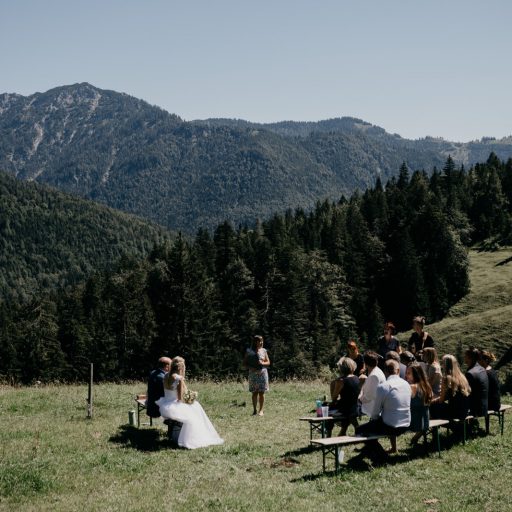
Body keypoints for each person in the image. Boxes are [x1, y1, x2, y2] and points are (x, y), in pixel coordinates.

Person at [156, 357, 224, 449]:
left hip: (165, 404)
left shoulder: (166, 375)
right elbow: (180, 398)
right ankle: (190, 438)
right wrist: (189, 399)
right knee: (196, 407)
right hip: (174, 406)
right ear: (180, 368)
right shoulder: (178, 378)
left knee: (194, 408)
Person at [355, 359, 411, 456]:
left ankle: (381, 455)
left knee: (360, 430)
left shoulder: (383, 387)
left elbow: (375, 413)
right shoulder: (406, 384)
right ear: (398, 371)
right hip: (406, 424)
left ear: (385, 371)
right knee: (376, 424)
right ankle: (371, 451)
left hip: (391, 426)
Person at [430, 354, 471, 421]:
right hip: (464, 411)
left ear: (445, 365)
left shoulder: (446, 378)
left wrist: (432, 401)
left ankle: (431, 428)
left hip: (454, 413)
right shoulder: (462, 376)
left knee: (432, 406)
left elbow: (441, 400)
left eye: (442, 363)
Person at [327, 357, 360, 436]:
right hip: (355, 406)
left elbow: (334, 397)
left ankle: (328, 434)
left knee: (328, 411)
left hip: (345, 408)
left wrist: (333, 386)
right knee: (347, 411)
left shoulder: (341, 381)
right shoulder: (357, 378)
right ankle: (344, 430)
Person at [243, 335, 270, 416]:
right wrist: (251, 367)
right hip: (253, 374)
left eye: (262, 341)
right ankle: (254, 410)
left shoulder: (264, 351)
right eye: (259, 341)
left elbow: (268, 362)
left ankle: (261, 411)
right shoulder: (249, 352)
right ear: (255, 342)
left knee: (262, 392)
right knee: (254, 393)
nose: (261, 342)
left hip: (262, 373)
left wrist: (262, 363)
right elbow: (244, 364)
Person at [406, 363, 433, 444]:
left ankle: (394, 448)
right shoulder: (427, 386)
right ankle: (415, 439)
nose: (406, 375)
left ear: (416, 374)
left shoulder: (412, 387)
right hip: (425, 421)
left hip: (414, 423)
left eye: (408, 373)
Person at [358, 351, 386, 417]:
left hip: (373, 407)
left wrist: (358, 399)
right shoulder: (377, 370)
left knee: (350, 407)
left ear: (366, 364)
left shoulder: (374, 376)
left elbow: (368, 397)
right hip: (375, 403)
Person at [464, 347, 489, 418]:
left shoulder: (470, 373)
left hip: (475, 409)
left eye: (465, 356)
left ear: (469, 358)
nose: (464, 357)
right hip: (484, 407)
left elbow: (467, 392)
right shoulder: (482, 369)